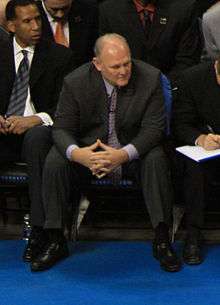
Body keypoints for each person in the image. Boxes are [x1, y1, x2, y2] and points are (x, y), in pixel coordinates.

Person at [30, 33, 181, 273]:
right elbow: (61, 129)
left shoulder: (150, 78)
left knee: (156, 157)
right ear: (98, 64)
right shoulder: (75, 82)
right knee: (56, 159)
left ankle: (162, 239)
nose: (123, 71)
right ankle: (56, 239)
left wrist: (122, 155)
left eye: (127, 63)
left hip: (132, 152)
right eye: (115, 66)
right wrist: (78, 154)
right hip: (90, 151)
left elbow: (155, 129)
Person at [0, 0, 74, 263]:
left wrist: (34, 119)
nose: (35, 26)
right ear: (10, 25)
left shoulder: (59, 56)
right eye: (27, 21)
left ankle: (41, 232)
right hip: (4, 132)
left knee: (36, 139)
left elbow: (65, 109)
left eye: (38, 20)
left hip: (40, 132)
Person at [172, 58, 220, 265]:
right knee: (194, 167)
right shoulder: (192, 78)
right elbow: (180, 123)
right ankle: (193, 234)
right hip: (206, 148)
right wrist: (200, 138)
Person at [99, 0, 202, 85]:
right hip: (125, 90)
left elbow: (187, 60)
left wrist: (162, 88)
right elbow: (108, 60)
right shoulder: (109, 11)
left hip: (172, 89)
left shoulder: (184, 8)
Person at [36, 0, 98, 68]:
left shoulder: (88, 11)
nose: (60, 14)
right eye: (54, 9)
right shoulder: (30, 15)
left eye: (64, 8)